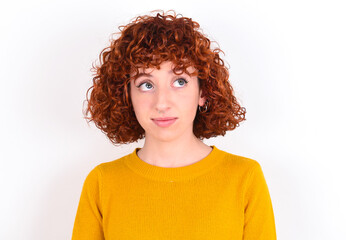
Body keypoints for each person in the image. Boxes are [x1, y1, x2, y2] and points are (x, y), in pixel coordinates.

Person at [72, 10, 276, 240]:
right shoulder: (101, 183)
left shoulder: (245, 178)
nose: (162, 103)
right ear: (126, 95)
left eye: (179, 81)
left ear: (203, 92)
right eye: (146, 84)